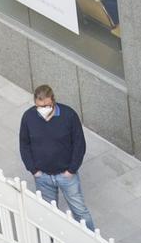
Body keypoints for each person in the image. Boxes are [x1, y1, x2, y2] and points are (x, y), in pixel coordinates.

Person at [17, 84, 96, 231]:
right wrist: (34, 170)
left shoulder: (69, 116)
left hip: (66, 175)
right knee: (48, 213)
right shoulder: (29, 117)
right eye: (39, 107)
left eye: (46, 105)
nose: (43, 109)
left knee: (80, 211)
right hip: (43, 176)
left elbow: (79, 145)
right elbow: (24, 144)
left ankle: (92, 240)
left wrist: (71, 170)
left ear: (53, 101)